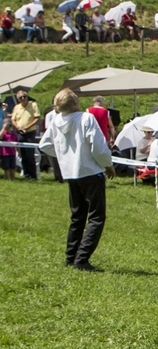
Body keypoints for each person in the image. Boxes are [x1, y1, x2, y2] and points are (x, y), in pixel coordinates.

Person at [38, 88, 113, 270]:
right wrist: (108, 164)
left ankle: (71, 257)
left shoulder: (56, 121)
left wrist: (65, 155)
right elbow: (98, 147)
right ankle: (82, 258)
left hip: (71, 173)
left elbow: (44, 145)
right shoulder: (85, 118)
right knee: (96, 217)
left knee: (77, 216)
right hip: (90, 172)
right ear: (74, 103)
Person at [11, 90, 41, 179]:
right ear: (18, 99)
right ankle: (26, 175)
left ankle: (33, 175)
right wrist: (18, 127)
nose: (23, 98)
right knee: (23, 155)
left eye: (24, 96)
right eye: (21, 97)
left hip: (30, 132)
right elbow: (13, 120)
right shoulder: (16, 107)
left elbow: (37, 118)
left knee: (30, 154)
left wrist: (26, 127)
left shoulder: (33, 105)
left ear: (27, 97)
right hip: (20, 133)